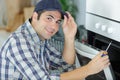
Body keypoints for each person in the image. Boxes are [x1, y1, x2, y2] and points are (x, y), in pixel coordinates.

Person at [0, 0, 110, 80]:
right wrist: (89, 69)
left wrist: (69, 37)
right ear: (34, 16)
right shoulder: (19, 42)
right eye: (49, 18)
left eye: (58, 21)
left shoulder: (41, 38)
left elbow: (66, 65)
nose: (54, 26)